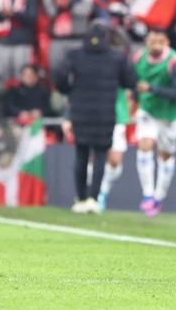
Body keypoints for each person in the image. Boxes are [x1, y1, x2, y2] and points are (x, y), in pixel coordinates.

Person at [56, 21, 136, 215]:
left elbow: (59, 75)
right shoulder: (116, 58)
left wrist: (69, 90)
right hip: (105, 112)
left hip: (80, 111)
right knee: (100, 155)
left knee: (81, 154)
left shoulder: (74, 55)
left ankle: (81, 198)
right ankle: (93, 198)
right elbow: (130, 81)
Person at [133, 27, 176, 217]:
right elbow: (133, 82)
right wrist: (135, 90)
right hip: (148, 110)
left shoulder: (174, 61)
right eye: (152, 42)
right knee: (145, 144)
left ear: (166, 43)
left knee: (165, 156)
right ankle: (147, 195)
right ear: (147, 42)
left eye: (159, 42)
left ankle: (158, 196)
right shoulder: (138, 58)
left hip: (169, 116)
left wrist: (152, 89)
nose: (155, 46)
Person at [97, 25, 134, 213]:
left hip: (118, 115)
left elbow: (130, 84)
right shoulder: (96, 60)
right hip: (97, 113)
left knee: (115, 161)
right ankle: (92, 193)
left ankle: (101, 191)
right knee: (94, 156)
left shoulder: (122, 62)